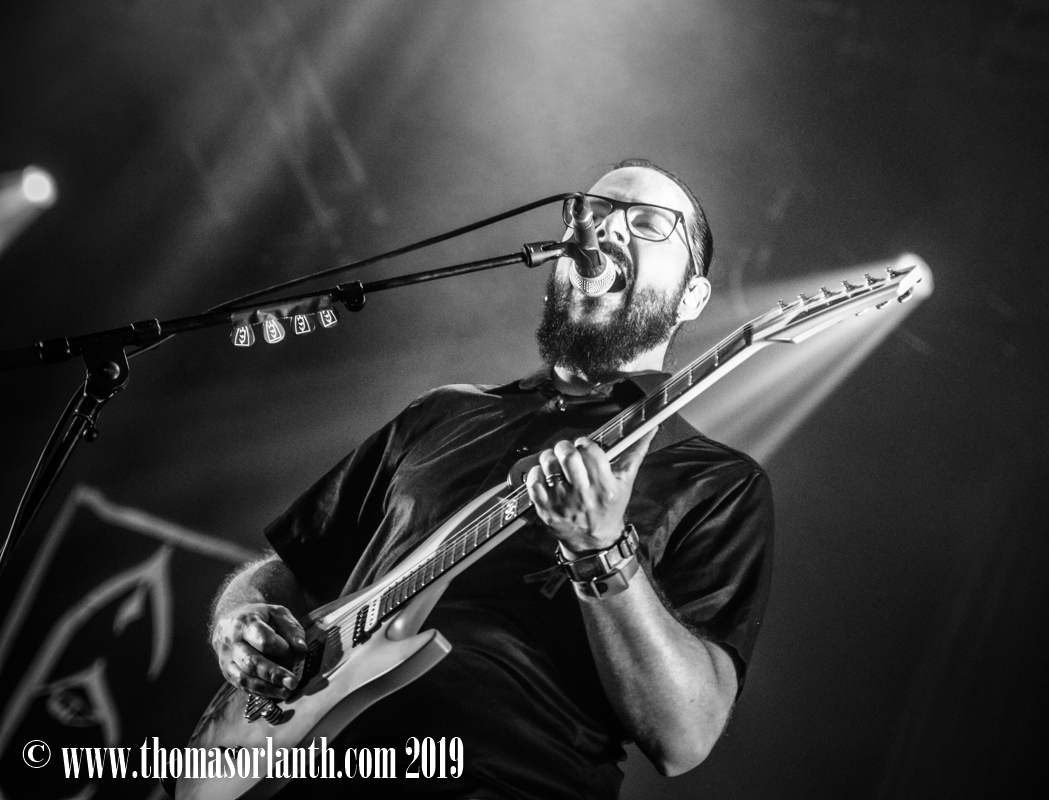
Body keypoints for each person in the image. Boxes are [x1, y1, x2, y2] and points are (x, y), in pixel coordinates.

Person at [207, 159, 775, 799]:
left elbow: (684, 738)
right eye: (593, 213)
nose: (609, 229)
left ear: (692, 298)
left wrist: (602, 551)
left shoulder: (715, 480)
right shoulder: (443, 411)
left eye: (648, 223)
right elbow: (290, 566)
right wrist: (235, 619)